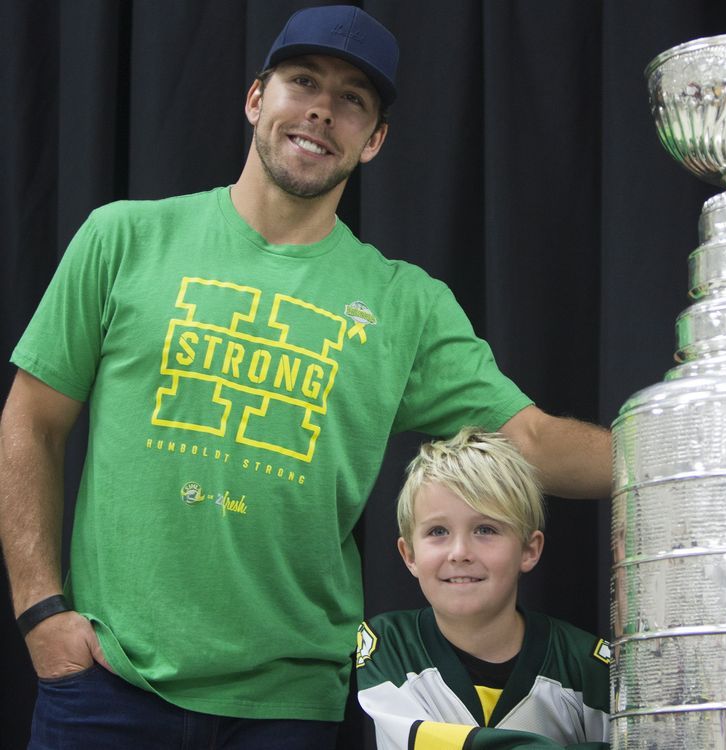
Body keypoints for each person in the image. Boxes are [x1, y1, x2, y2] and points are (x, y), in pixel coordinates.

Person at [0, 5, 611, 747]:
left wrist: (696, 454)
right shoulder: (123, 237)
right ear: (258, 97)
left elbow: (534, 442)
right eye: (302, 81)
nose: (322, 110)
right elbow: (32, 420)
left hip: (290, 705)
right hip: (107, 686)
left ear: (375, 138)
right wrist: (39, 609)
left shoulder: (403, 303)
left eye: (353, 99)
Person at [356, 428, 610, 750]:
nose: (459, 552)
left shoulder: (587, 665)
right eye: (438, 531)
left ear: (529, 550)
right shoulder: (389, 646)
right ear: (409, 555)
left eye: (485, 529)